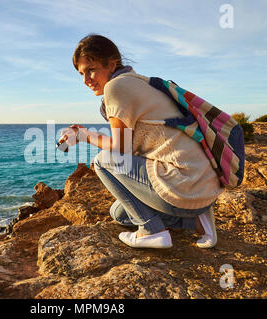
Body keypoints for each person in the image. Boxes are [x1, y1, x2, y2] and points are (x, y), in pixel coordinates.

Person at [59, 34, 224, 249]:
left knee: (103, 161)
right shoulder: (139, 82)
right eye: (81, 73)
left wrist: (84, 136)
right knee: (119, 213)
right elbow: (131, 146)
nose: (86, 80)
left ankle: (152, 232)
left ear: (111, 64)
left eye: (91, 70)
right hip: (201, 184)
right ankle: (194, 221)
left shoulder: (116, 87)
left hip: (183, 183)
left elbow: (121, 148)